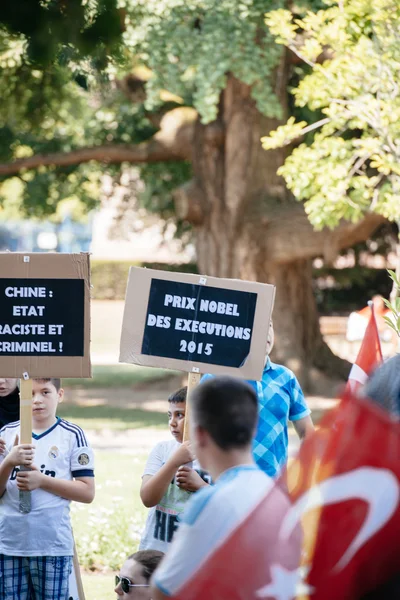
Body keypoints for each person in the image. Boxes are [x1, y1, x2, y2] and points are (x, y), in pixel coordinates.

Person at [151, 377, 302, 600]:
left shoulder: (212, 502)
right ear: (252, 431)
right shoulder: (279, 497)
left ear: (199, 434)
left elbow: (163, 589)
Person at [0, 378, 95, 600]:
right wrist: (8, 462)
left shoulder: (72, 435)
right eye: (30, 394)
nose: (37, 400)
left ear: (59, 395)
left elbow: (87, 492)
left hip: (52, 546)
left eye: (45, 392)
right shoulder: (6, 434)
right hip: (9, 545)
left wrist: (42, 481)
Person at [202, 320, 314, 477]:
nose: (267, 332)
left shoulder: (285, 377)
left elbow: (307, 431)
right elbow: (199, 434)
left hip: (274, 488)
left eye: (270, 325)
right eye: (260, 325)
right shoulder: (215, 377)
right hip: (228, 486)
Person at [139, 387, 211, 553]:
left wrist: (201, 487)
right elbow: (148, 498)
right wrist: (173, 462)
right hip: (156, 553)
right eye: (169, 415)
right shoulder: (162, 450)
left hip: (196, 555)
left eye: (180, 415)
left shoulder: (218, 457)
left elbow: (228, 507)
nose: (172, 422)